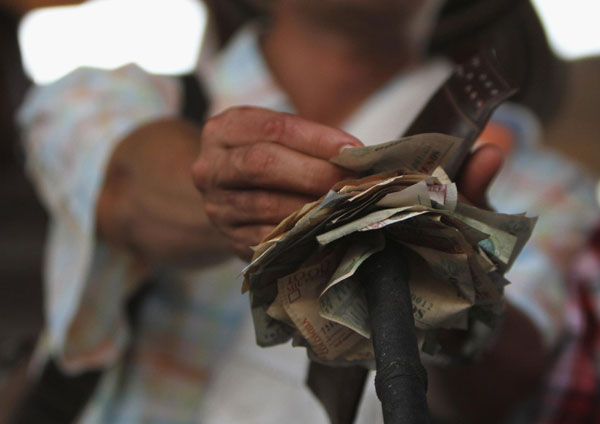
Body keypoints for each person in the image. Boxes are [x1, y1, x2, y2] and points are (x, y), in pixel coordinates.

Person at [16, 0, 599, 422]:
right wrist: (223, 189)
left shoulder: (546, 184)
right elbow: (129, 185)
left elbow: (504, 386)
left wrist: (456, 283)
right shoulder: (107, 97)